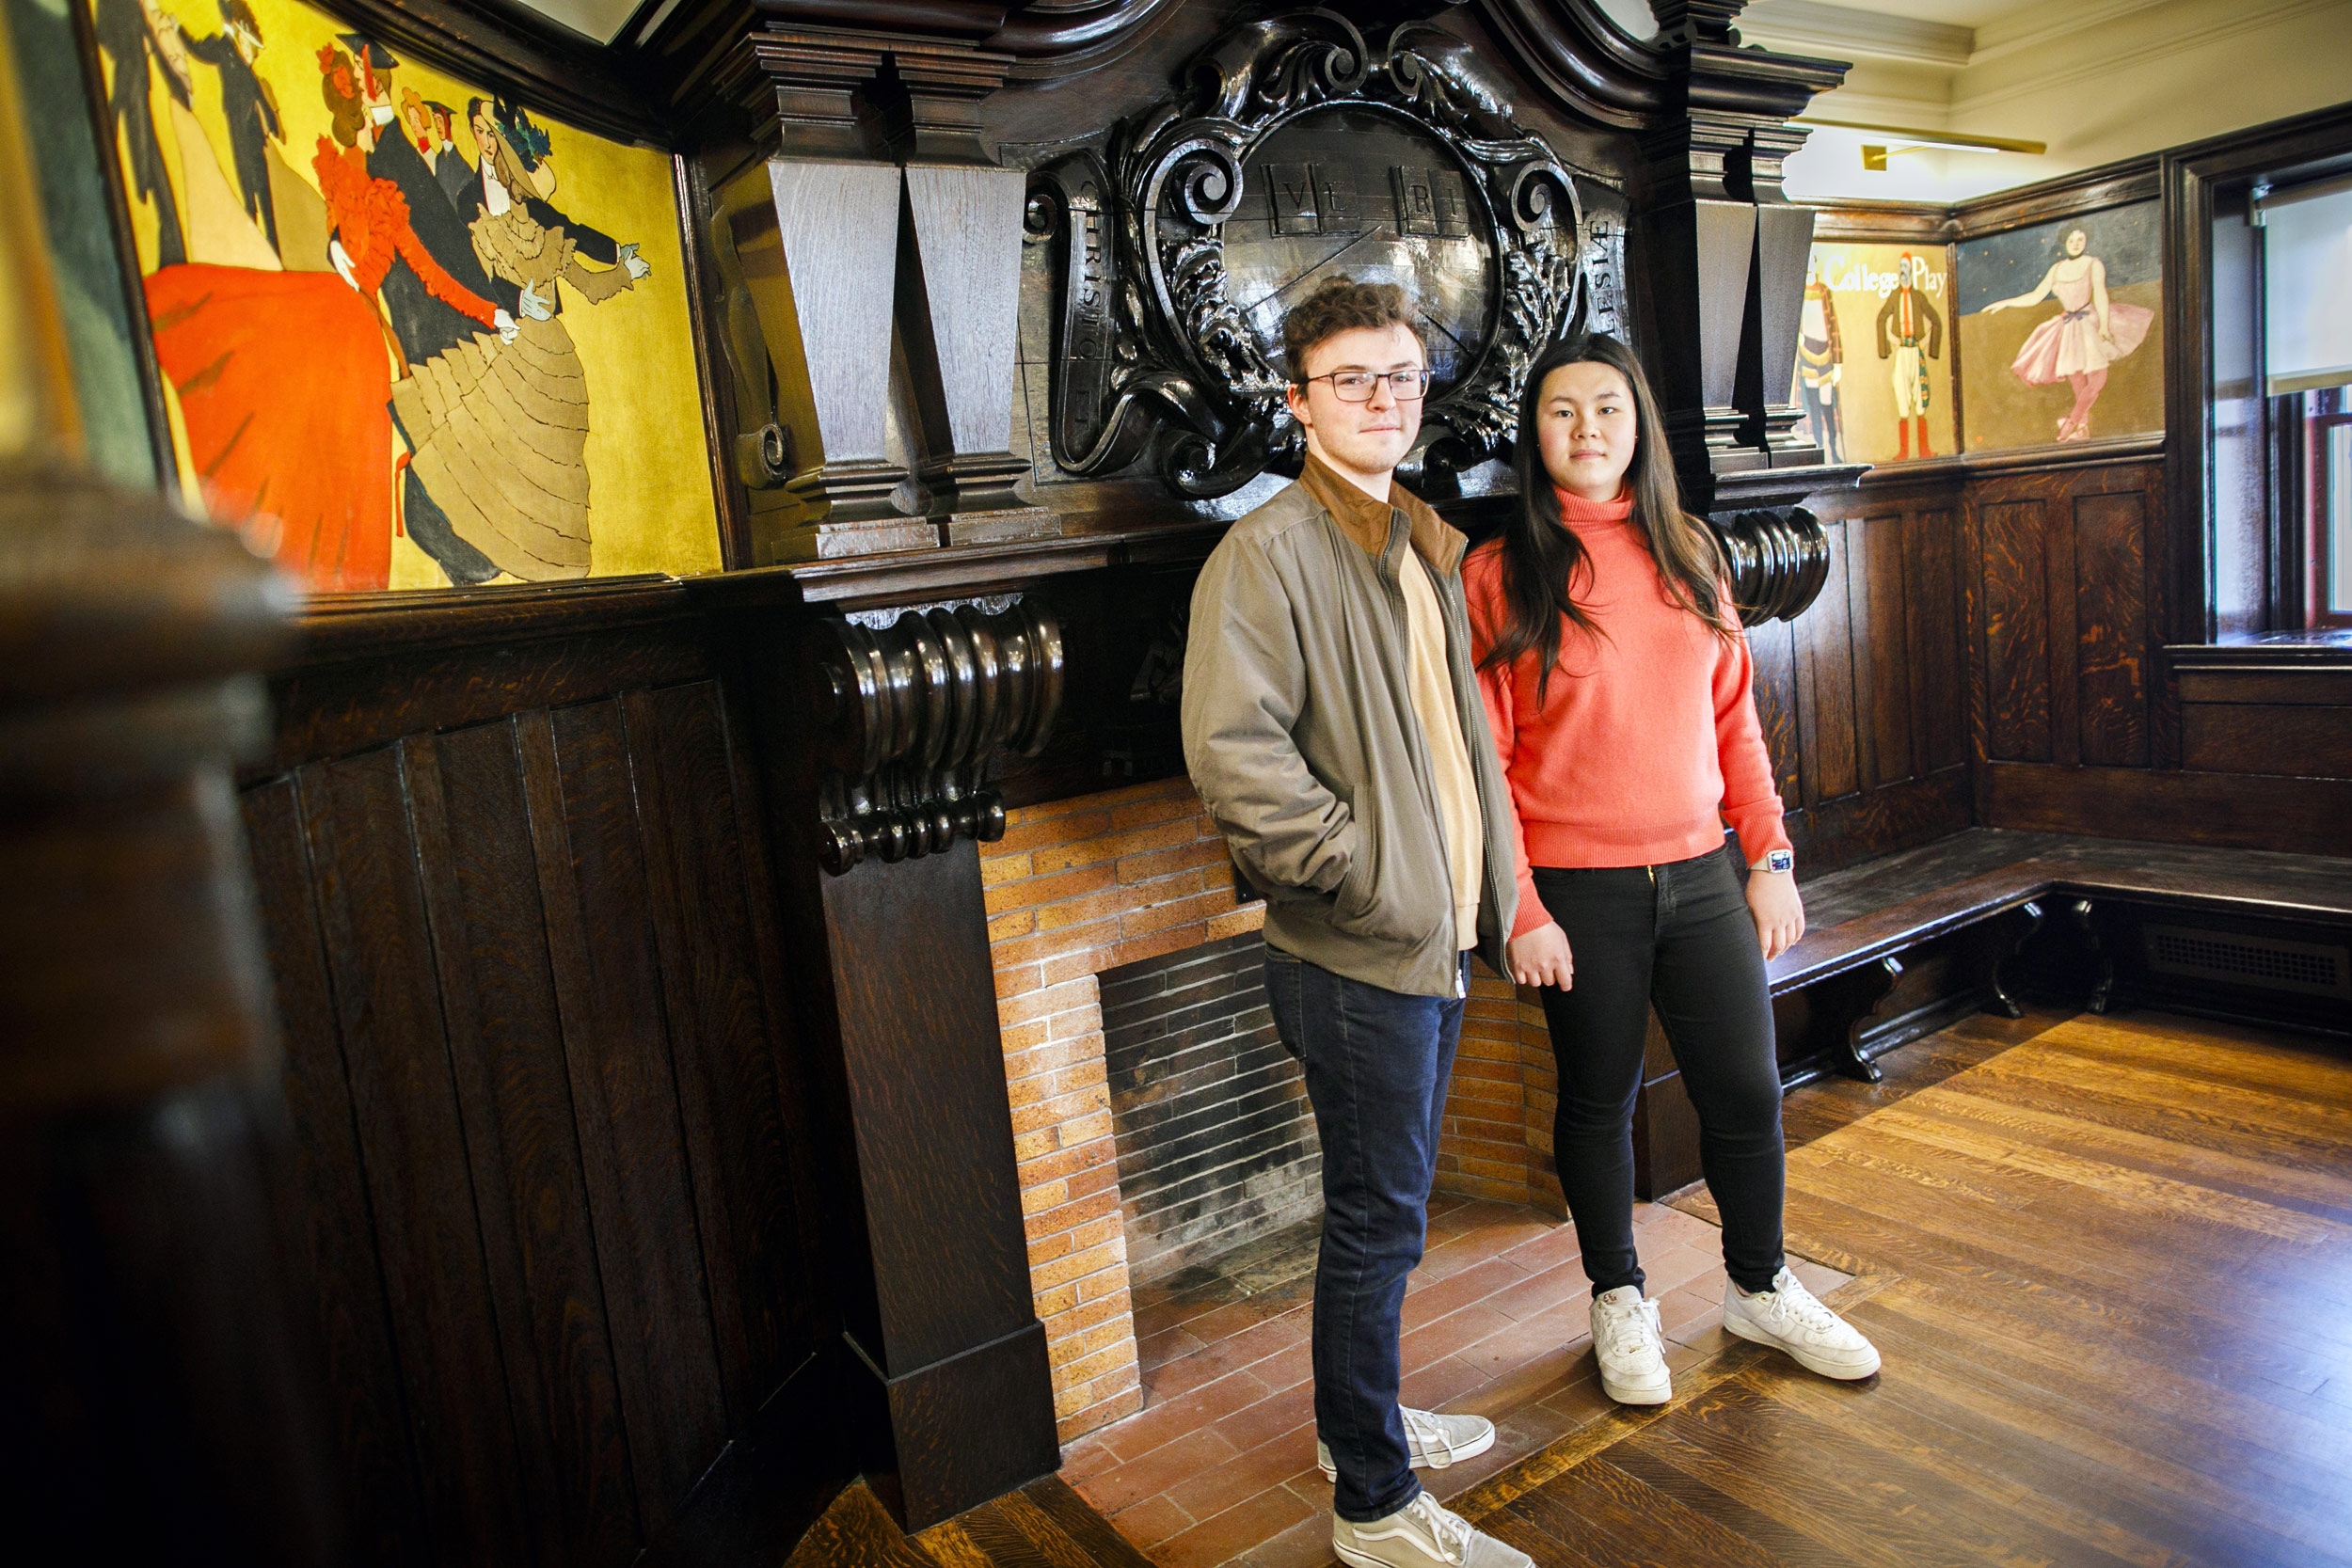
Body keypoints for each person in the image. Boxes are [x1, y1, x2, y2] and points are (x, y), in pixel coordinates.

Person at [1182, 277, 1532, 1568]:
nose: (1383, 399)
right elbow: (1235, 760)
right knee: (1380, 1220)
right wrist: (1372, 877)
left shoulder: (1419, 537)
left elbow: (1454, 746)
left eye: (1400, 377)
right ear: (1298, 401)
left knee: (1381, 1211)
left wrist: (1478, 894)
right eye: (1352, 379)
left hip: (1427, 945)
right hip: (1356, 949)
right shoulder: (1265, 554)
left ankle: (1356, 1422)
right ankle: (1373, 1503)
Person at [1464, 332, 1882, 1410]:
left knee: (1744, 1089)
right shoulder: (1499, 571)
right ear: (1535, 433)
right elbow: (1488, 765)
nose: (1588, 428)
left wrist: (1770, 855)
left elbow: (1735, 719)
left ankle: (1758, 1285)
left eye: (1607, 406)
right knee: (1596, 1103)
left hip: (1704, 873)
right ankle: (1618, 1298)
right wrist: (1519, 905)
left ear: (1637, 422)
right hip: (1576, 889)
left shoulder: (1689, 548)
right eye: (1563, 411)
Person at [1983, 225, 2153, 443]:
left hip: (2088, 323)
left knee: (2098, 380)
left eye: (2080, 239)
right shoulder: (2056, 269)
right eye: (2072, 239)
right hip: (2068, 328)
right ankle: (2082, 429)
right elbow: (2036, 295)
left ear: (2086, 241)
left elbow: (2100, 294)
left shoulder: (2093, 264)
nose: (2076, 243)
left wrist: (2103, 325)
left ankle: (2071, 423)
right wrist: (2007, 303)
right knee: (2078, 384)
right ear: (2064, 242)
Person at [1874, 252, 1942, 460]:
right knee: (1902, 397)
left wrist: (1928, 343)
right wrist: (1888, 343)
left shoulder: (1919, 296)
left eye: (1908, 268)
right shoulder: (1894, 296)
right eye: (1901, 268)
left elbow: (1936, 320)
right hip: (1901, 352)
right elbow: (1881, 319)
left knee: (1920, 399)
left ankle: (1924, 450)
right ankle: (1903, 452)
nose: (1905, 272)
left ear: (1912, 271)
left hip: (1916, 352)